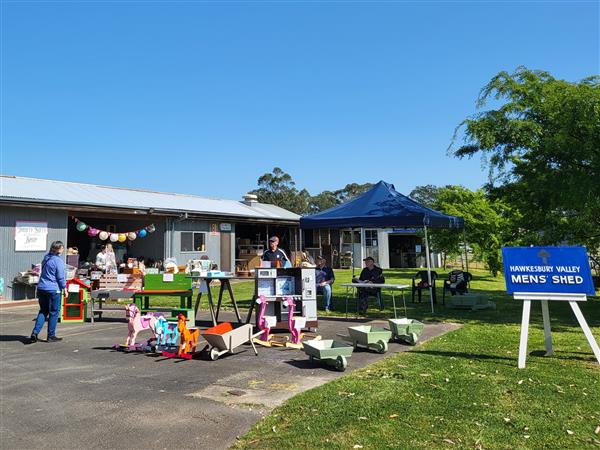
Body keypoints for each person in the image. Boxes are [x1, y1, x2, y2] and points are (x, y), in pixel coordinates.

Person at [26, 241, 66, 344]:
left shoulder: (46, 258)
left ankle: (35, 333)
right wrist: (64, 288)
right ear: (58, 250)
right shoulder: (58, 261)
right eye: (62, 248)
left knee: (43, 311)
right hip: (53, 289)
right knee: (54, 312)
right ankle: (51, 335)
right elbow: (60, 277)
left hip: (41, 288)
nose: (63, 250)